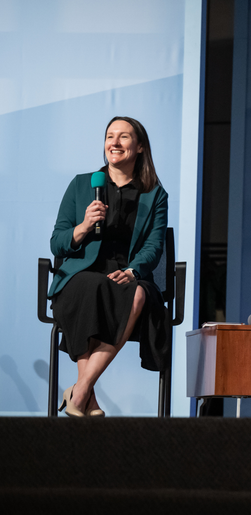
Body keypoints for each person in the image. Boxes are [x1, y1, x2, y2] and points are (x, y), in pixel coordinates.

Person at [48, 116, 168, 417]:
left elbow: (154, 246)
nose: (114, 143)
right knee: (93, 286)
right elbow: (57, 243)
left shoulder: (154, 195)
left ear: (139, 147)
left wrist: (134, 271)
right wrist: (84, 226)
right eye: (109, 136)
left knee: (139, 294)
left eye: (123, 137)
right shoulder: (81, 185)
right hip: (81, 275)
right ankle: (84, 394)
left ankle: (80, 389)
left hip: (127, 275)